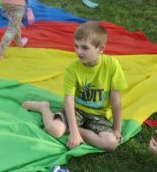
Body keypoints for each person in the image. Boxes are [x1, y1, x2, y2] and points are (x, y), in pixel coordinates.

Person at [22, 21, 128, 152]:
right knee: (54, 130)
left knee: (110, 144)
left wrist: (116, 129)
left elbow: (115, 100)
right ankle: (44, 107)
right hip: (76, 111)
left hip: (98, 115)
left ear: (100, 49)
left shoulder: (112, 65)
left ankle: (77, 131)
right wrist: (73, 132)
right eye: (76, 46)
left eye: (85, 48)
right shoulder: (72, 69)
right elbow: (68, 101)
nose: (78, 51)